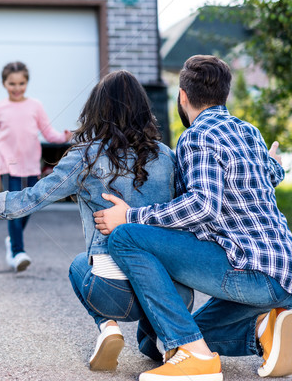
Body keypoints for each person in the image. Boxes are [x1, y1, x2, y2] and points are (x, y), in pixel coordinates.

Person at [0, 70, 193, 371]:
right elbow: (185, 216)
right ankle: (162, 339)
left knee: (79, 264)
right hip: (171, 294)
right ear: (144, 109)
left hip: (114, 294)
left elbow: (31, 198)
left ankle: (108, 327)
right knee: (157, 287)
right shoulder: (167, 156)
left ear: (98, 109)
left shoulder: (86, 156)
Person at [94, 55, 292, 381]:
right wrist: (274, 164)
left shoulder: (197, 136)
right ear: (224, 95)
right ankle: (264, 329)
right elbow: (264, 175)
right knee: (177, 337)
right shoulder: (249, 132)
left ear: (182, 96)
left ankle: (196, 359)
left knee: (125, 236)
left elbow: (203, 206)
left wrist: (130, 214)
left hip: (251, 273)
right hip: (281, 272)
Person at [0, 61, 71, 272]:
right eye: (12, 84)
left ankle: (12, 241)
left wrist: (64, 136)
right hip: (7, 163)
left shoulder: (35, 106)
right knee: (13, 204)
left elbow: (48, 133)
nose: (17, 88)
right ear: (4, 84)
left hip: (30, 164)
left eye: (21, 83)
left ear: (27, 82)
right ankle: (18, 252)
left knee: (28, 205)